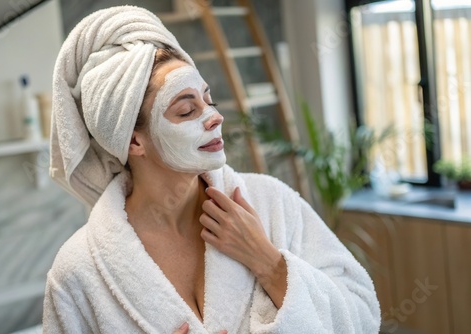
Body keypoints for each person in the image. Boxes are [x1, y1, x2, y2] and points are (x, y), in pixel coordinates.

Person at [43, 6, 380, 334]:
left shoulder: (271, 203)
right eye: (187, 110)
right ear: (133, 142)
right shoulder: (77, 271)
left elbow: (362, 316)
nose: (215, 117)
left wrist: (270, 263)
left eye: (209, 100)